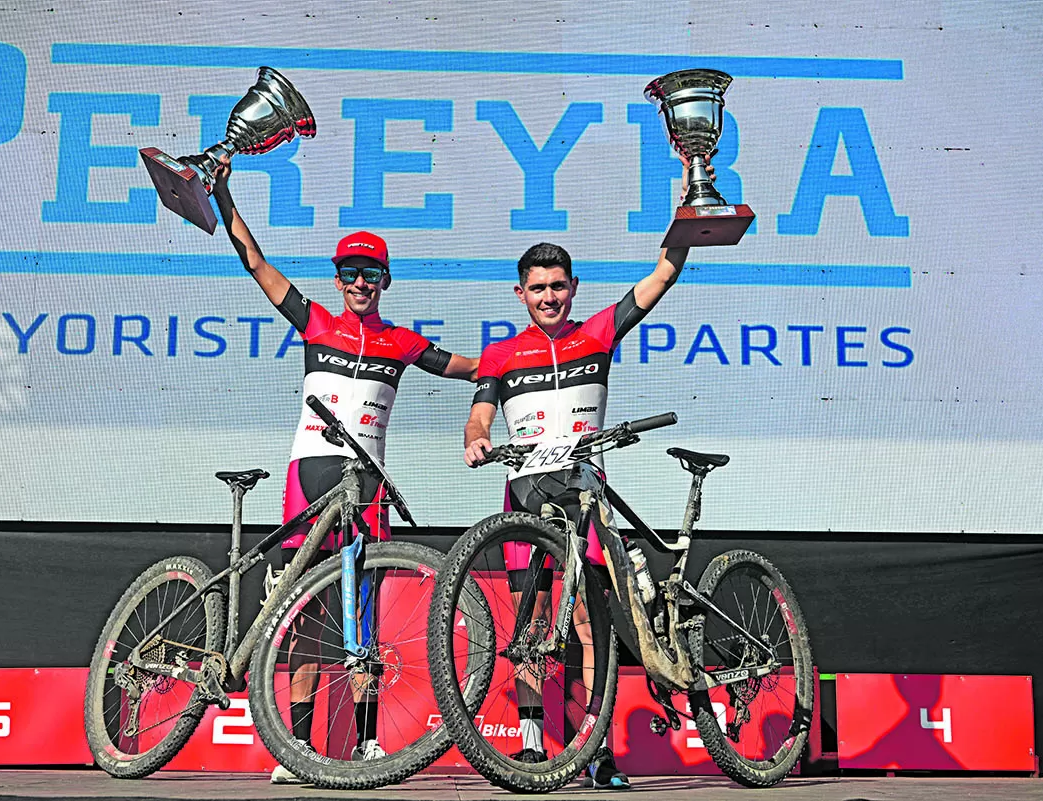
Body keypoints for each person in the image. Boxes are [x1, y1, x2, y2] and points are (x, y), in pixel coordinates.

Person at [211, 158, 478, 784]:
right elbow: (254, 261)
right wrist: (223, 196)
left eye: (371, 274)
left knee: (364, 623)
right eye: (351, 273)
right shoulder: (315, 321)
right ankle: (299, 750)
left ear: (384, 281)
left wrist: (515, 363)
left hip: (368, 487)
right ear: (338, 280)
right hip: (309, 476)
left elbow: (467, 367)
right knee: (302, 618)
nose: (361, 282)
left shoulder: (402, 341)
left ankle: (362, 746)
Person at [463, 229, 695, 787]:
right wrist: (475, 438)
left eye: (558, 287)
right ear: (520, 293)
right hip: (525, 496)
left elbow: (663, 274)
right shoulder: (500, 353)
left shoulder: (597, 334)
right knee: (530, 626)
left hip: (586, 495)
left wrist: (686, 222)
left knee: (593, 629)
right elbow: (480, 413)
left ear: (574, 289)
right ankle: (530, 742)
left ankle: (597, 750)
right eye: (538, 288)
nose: (549, 297)